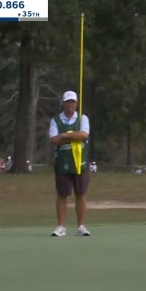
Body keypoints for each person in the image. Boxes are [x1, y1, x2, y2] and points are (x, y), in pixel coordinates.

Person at [49, 90, 90, 236]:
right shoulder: (55, 120)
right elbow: (54, 139)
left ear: (76, 103)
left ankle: (81, 226)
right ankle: (61, 226)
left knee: (81, 193)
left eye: (73, 102)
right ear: (63, 103)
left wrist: (64, 135)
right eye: (68, 102)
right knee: (62, 194)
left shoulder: (83, 118)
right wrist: (75, 136)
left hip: (80, 161)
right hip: (63, 161)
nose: (70, 104)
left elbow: (84, 135)